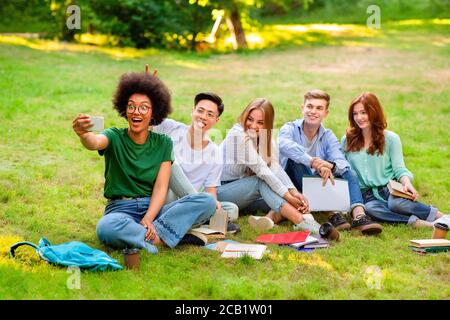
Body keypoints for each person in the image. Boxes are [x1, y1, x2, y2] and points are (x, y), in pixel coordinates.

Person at [72, 72, 216, 254]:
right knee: (105, 227)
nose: (136, 112)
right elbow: (94, 143)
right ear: (124, 110)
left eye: (143, 107)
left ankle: (148, 235)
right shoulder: (114, 136)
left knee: (206, 201)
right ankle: (163, 237)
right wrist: (84, 135)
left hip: (155, 209)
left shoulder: (163, 142)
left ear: (153, 113)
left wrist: (148, 218)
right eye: (131, 107)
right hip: (121, 210)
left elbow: (160, 188)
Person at [278, 89, 382, 235]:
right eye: (310, 106)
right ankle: (332, 212)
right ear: (303, 108)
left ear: (326, 113)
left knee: (348, 171)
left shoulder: (328, 136)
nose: (313, 111)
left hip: (319, 182)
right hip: (293, 185)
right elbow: (284, 145)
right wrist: (313, 163)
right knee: (297, 161)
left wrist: (330, 166)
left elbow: (341, 161)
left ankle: (359, 216)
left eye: (319, 108)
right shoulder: (289, 128)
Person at [217, 98, 321, 234]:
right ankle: (302, 222)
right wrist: (289, 197)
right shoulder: (237, 135)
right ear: (244, 116)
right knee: (263, 182)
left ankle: (268, 219)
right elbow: (263, 171)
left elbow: (275, 168)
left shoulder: (265, 137)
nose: (253, 126)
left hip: (241, 193)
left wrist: (294, 193)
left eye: (260, 122)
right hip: (221, 191)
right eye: (250, 119)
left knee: (281, 195)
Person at [341, 92, 445, 227]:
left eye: (363, 112)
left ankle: (440, 216)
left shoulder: (391, 139)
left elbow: (399, 168)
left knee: (396, 204)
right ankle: (419, 223)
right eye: (355, 113)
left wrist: (407, 183)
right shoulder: (347, 140)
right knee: (372, 210)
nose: (359, 117)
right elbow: (343, 170)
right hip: (366, 195)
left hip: (390, 189)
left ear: (374, 112)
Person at [152, 92, 240, 233]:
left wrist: (212, 202)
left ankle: (190, 216)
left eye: (210, 114)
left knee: (232, 209)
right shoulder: (170, 128)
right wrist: (149, 92)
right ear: (193, 111)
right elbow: (147, 119)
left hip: (186, 204)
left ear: (216, 120)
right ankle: (201, 216)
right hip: (163, 195)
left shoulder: (214, 153)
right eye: (200, 111)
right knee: (170, 163)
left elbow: (210, 190)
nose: (203, 117)